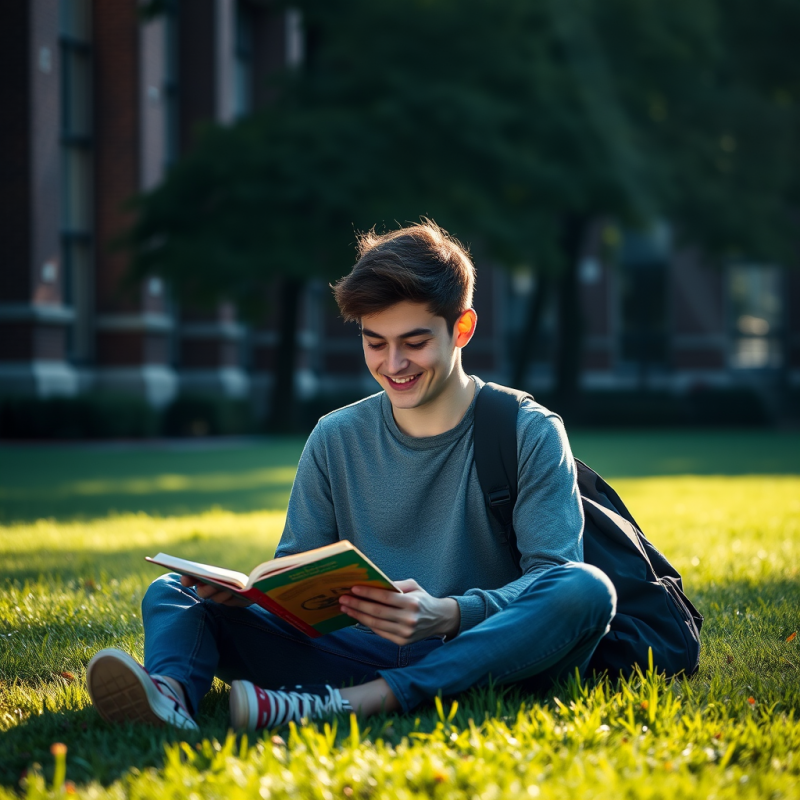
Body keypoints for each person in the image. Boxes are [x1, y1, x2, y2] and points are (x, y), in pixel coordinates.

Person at [86, 221, 616, 732]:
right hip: (353, 649)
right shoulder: (334, 436)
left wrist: (448, 614)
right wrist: (255, 595)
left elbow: (552, 577)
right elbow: (299, 572)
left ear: (462, 328)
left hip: (487, 652)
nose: (393, 364)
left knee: (585, 588)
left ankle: (360, 703)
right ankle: (171, 698)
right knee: (174, 591)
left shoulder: (528, 430)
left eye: (414, 342)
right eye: (374, 342)